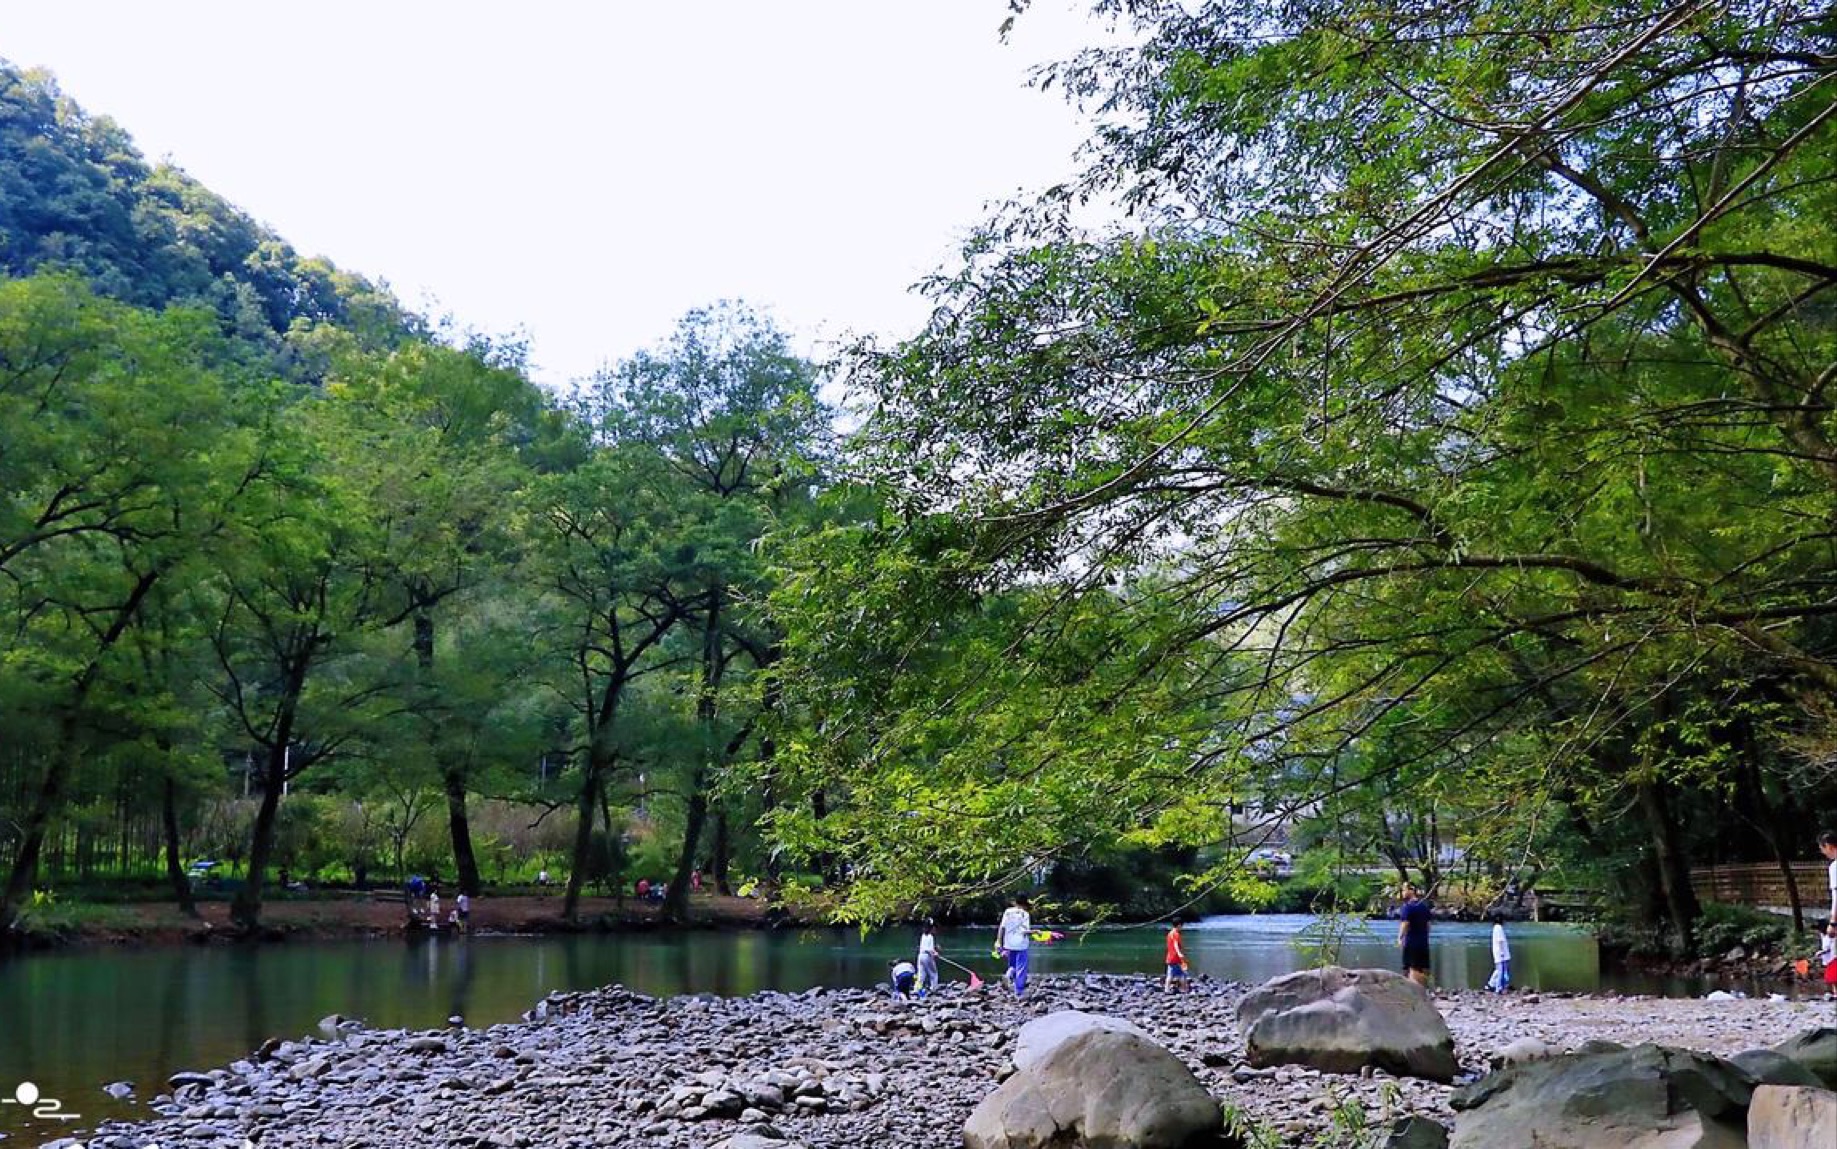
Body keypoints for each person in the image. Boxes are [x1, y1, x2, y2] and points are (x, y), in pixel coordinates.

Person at [995, 895, 1032, 996]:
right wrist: (1036, 932)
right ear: (1024, 904)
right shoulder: (1025, 914)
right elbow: (1025, 931)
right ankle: (1019, 991)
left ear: (1016, 902)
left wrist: (998, 941)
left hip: (1009, 944)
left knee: (1012, 966)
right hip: (1021, 944)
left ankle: (1008, 974)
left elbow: (1002, 928)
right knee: (1021, 968)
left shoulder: (1007, 912)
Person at [1396, 883, 1432, 987]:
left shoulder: (1407, 907)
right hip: (1423, 943)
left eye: (1404, 890)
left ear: (1411, 891)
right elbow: (1428, 925)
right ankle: (1423, 990)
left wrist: (1400, 938)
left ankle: (1414, 991)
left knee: (1412, 967)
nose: (1402, 893)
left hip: (1411, 942)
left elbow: (1405, 924)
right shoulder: (1424, 906)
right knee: (1422, 968)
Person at [1164, 919, 1191, 993]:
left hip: (1170, 957)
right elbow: (1176, 944)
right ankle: (1183, 989)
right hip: (1177, 958)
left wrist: (1184, 949)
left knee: (1170, 974)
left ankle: (1166, 989)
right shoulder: (1176, 934)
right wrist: (1179, 953)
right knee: (1183, 973)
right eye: (1182, 926)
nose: (1182, 927)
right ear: (1179, 925)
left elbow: (1172, 945)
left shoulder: (1170, 933)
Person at [1487, 912, 1511, 994]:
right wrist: (1502, 953)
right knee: (1501, 971)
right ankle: (1499, 988)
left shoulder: (1495, 928)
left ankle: (1493, 985)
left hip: (1499, 953)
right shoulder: (1499, 928)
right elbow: (1500, 941)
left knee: (1500, 970)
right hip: (1501, 954)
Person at [917, 920, 940, 998]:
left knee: (921, 974)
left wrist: (935, 949)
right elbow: (929, 949)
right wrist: (935, 953)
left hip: (920, 956)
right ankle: (933, 988)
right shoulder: (930, 936)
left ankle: (917, 989)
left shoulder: (923, 935)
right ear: (932, 928)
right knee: (934, 974)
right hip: (927, 956)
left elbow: (924, 947)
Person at [1819, 830, 1837, 928]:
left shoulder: (1835, 866)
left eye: (1822, 848)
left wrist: (1833, 922)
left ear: (1828, 846)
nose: (1823, 852)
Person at [1818, 921, 1837, 1000]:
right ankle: (1835, 993)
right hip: (1830, 959)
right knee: (1833, 978)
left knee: (1834, 978)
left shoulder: (1831, 938)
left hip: (1833, 958)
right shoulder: (1826, 937)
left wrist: (1821, 952)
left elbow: (1828, 949)